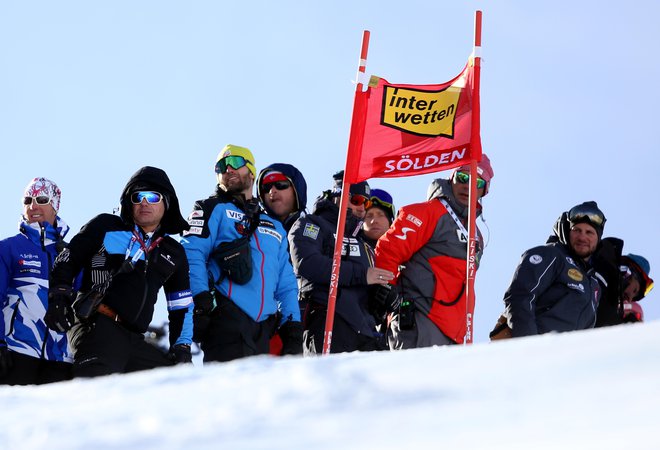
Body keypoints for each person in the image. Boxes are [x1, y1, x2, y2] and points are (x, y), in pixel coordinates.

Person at [44, 166, 194, 377]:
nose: (143, 202)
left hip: (135, 339)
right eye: (137, 196)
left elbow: (181, 306)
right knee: (95, 393)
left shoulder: (173, 251)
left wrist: (182, 348)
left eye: (152, 196)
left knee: (175, 384)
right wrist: (58, 297)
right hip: (96, 324)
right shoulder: (106, 225)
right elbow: (68, 259)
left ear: (166, 202)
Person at [181, 145, 303, 362]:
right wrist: (200, 301)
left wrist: (292, 325)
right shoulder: (210, 207)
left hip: (263, 329)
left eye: (236, 162)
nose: (228, 169)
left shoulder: (274, 225)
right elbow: (191, 252)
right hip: (226, 319)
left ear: (252, 171)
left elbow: (286, 281)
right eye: (221, 167)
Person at [374, 155, 494, 349]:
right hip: (419, 321)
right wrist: (386, 289)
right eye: (462, 178)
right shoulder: (430, 212)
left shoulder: (476, 234)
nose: (468, 186)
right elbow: (389, 248)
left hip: (454, 333)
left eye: (477, 182)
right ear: (451, 178)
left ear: (484, 190)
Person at [288, 170, 394, 354]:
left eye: (366, 202)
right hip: (329, 322)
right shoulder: (313, 224)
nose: (362, 208)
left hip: (365, 331)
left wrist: (382, 298)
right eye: (357, 200)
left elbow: (366, 291)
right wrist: (362, 275)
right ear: (339, 195)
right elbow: (307, 263)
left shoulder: (363, 243)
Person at [493, 201, 606, 339]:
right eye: (577, 230)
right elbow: (520, 296)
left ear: (598, 239)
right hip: (529, 350)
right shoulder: (551, 255)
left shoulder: (594, 285)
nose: (582, 237)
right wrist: (528, 344)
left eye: (589, 232)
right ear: (568, 232)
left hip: (566, 357)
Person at [0, 178, 73, 385]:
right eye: (27, 200)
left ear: (55, 205)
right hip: (16, 352)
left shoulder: (72, 254)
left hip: (61, 358)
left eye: (41, 199)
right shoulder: (8, 248)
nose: (33, 206)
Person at [593, 244, 653, 327]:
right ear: (626, 274)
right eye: (634, 290)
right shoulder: (598, 277)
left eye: (634, 297)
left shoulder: (609, 302)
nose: (630, 298)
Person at [256, 163, 308, 232]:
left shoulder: (318, 230)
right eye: (266, 187)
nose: (272, 191)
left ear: (296, 190)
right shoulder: (252, 229)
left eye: (280, 184)